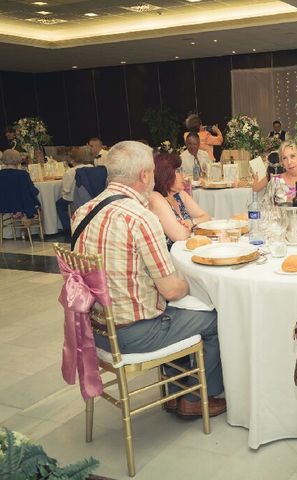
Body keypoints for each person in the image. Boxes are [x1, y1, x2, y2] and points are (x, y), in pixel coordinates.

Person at [72, 141, 225, 417]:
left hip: (94, 331)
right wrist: (194, 283)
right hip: (133, 334)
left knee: (175, 311)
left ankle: (173, 390)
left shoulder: (83, 212)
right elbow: (171, 291)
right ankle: (195, 396)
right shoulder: (140, 218)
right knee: (212, 318)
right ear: (144, 175)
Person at [148, 152, 211, 250]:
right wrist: (193, 226)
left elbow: (207, 217)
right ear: (166, 174)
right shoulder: (155, 198)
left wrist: (191, 222)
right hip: (172, 258)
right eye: (179, 171)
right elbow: (180, 236)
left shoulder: (179, 194)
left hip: (189, 249)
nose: (184, 176)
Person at [55, 147, 93, 234]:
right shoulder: (92, 167)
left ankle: (67, 228)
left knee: (59, 204)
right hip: (91, 195)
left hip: (74, 197)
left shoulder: (70, 172)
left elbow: (66, 189)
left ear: (72, 159)